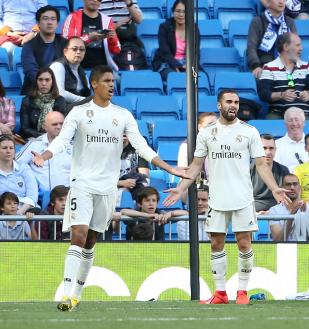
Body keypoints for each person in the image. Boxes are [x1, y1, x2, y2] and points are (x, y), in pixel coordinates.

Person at [32, 65, 185, 311]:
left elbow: (142, 146)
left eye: (113, 81)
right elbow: (62, 140)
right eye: (106, 80)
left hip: (107, 188)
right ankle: (65, 291)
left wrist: (171, 169)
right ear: (94, 84)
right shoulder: (79, 113)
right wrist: (45, 155)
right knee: (78, 236)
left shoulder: (123, 115)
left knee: (91, 240)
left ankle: (76, 296)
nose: (112, 85)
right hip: (82, 184)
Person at [164, 89, 286, 304]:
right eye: (229, 101)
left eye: (236, 102)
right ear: (219, 105)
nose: (233, 105)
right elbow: (195, 166)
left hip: (243, 197)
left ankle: (242, 292)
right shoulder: (206, 133)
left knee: (244, 243)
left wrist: (275, 188)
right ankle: (220, 293)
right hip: (217, 198)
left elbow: (261, 164)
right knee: (216, 243)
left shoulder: (249, 132)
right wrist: (180, 188)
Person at [258, 32, 309, 120]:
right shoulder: (269, 67)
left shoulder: (305, 66)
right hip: (278, 115)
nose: (301, 48)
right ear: (286, 47)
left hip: (302, 115)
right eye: (298, 45)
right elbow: (263, 94)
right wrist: (281, 95)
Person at [62, 0, 121, 71]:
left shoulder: (107, 20)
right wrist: (89, 38)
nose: (95, 0)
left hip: (102, 69)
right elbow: (65, 43)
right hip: (77, 68)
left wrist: (112, 39)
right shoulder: (73, 17)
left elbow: (117, 50)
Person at [16, 110, 71, 193]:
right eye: (54, 124)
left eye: (61, 123)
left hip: (67, 197)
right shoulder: (34, 145)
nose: (59, 127)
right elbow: (15, 165)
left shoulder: (73, 145)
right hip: (40, 198)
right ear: (45, 127)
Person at [247, 0, 297, 75]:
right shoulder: (257, 21)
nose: (281, 2)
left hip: (286, 66)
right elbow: (251, 47)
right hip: (264, 66)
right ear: (267, 1)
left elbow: (295, 46)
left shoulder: (289, 22)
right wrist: (256, 66)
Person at [21, 6, 66, 92]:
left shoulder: (65, 44)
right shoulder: (29, 46)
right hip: (35, 91)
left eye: (53, 19)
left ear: (57, 23)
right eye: (45, 19)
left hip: (61, 91)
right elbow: (31, 72)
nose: (49, 22)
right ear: (38, 23)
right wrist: (49, 85)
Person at [268, 172, 309, 241]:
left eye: (295, 184)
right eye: (288, 185)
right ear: (282, 188)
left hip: (306, 250)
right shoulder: (274, 211)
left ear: (300, 187)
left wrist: (306, 215)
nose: (292, 187)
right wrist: (292, 216)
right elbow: (277, 240)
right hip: (285, 250)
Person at [154, 0, 193, 80]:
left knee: (200, 77)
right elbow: (165, 52)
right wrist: (178, 66)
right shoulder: (164, 27)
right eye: (178, 11)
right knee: (175, 77)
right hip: (166, 63)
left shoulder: (193, 29)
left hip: (186, 63)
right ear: (173, 12)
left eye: (184, 11)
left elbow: (195, 53)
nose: (181, 15)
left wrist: (189, 65)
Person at [252, 134, 290, 213]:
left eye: (271, 148)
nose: (268, 152)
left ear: (275, 150)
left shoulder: (284, 170)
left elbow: (287, 198)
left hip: (277, 212)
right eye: (264, 148)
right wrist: (255, 213)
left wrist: (272, 212)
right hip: (252, 212)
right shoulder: (248, 169)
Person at [0, 135, 38, 208]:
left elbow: (32, 196)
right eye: (4, 148)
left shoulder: (24, 168)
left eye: (11, 148)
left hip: (25, 211)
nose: (8, 151)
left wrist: (19, 213)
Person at [117, 134, 151, 202]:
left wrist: (131, 184)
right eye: (120, 134)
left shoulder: (138, 152)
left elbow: (145, 179)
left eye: (125, 135)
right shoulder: (104, 153)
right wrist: (120, 183)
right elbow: (99, 179)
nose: (123, 138)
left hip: (132, 189)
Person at [273, 107, 307, 171]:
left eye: (297, 120)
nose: (294, 124)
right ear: (285, 124)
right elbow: (276, 171)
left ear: (303, 123)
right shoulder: (276, 145)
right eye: (290, 120)